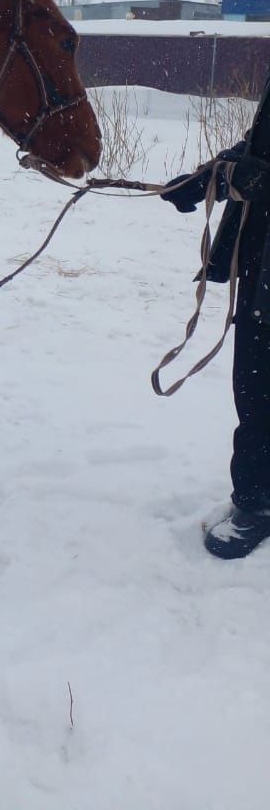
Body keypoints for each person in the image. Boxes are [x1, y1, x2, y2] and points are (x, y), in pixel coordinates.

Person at [162, 73, 270, 558]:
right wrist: (209, 177)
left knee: (261, 385)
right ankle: (257, 493)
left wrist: (253, 178)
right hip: (262, 258)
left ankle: (259, 504)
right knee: (254, 384)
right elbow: (261, 144)